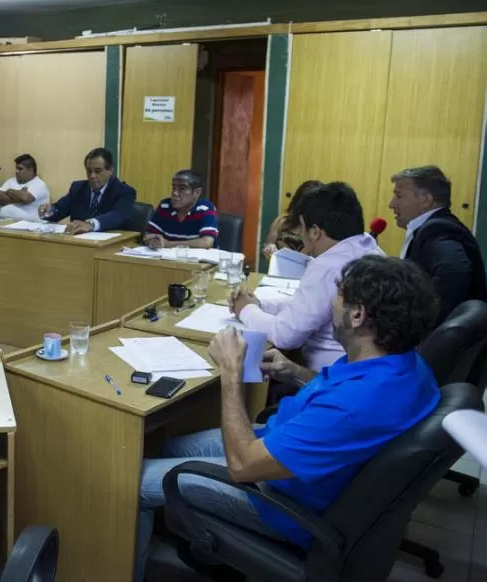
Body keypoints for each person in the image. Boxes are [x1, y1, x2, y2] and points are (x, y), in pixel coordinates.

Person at [136, 255, 441, 582]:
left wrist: (230, 373)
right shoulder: (403, 366)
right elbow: (334, 401)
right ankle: (190, 537)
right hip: (286, 448)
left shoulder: (356, 405)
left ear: (357, 315)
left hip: (278, 501)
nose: (331, 302)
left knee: (132, 481)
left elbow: (243, 466)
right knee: (172, 447)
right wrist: (295, 372)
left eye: (338, 293)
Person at [230, 182, 383, 372]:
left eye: (301, 228)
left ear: (315, 231)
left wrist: (246, 309)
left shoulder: (327, 266)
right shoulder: (369, 246)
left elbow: (286, 335)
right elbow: (313, 308)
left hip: (328, 374)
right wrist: (261, 304)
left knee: (244, 365)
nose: (300, 234)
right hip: (361, 369)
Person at [389, 165, 487, 325]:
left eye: (398, 196)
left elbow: (455, 271)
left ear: (426, 200)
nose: (391, 204)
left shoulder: (438, 229)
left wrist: (423, 323)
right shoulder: (435, 227)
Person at [39, 147, 136, 234]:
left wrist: (91, 224)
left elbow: (117, 215)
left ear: (110, 170)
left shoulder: (123, 191)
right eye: (89, 171)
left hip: (110, 245)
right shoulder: (78, 188)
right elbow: (60, 209)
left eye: (98, 171)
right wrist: (49, 211)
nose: (92, 176)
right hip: (79, 243)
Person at [144, 170, 218, 249]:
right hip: (167, 258)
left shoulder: (205, 208)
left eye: (182, 189)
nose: (175, 193)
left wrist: (169, 244)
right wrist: (153, 241)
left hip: (197, 259)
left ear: (197, 192)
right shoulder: (165, 206)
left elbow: (207, 242)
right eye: (173, 188)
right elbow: (148, 235)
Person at [262, 179, 324, 258]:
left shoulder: (320, 231)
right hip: (280, 268)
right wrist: (269, 249)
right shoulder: (282, 222)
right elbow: (267, 248)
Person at [0, 154, 50, 221]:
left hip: (30, 226)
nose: (16, 171)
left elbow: (24, 198)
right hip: (6, 224)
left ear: (31, 170)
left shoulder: (39, 184)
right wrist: (18, 198)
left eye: (20, 169)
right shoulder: (11, 181)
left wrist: (9, 191)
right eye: (16, 168)